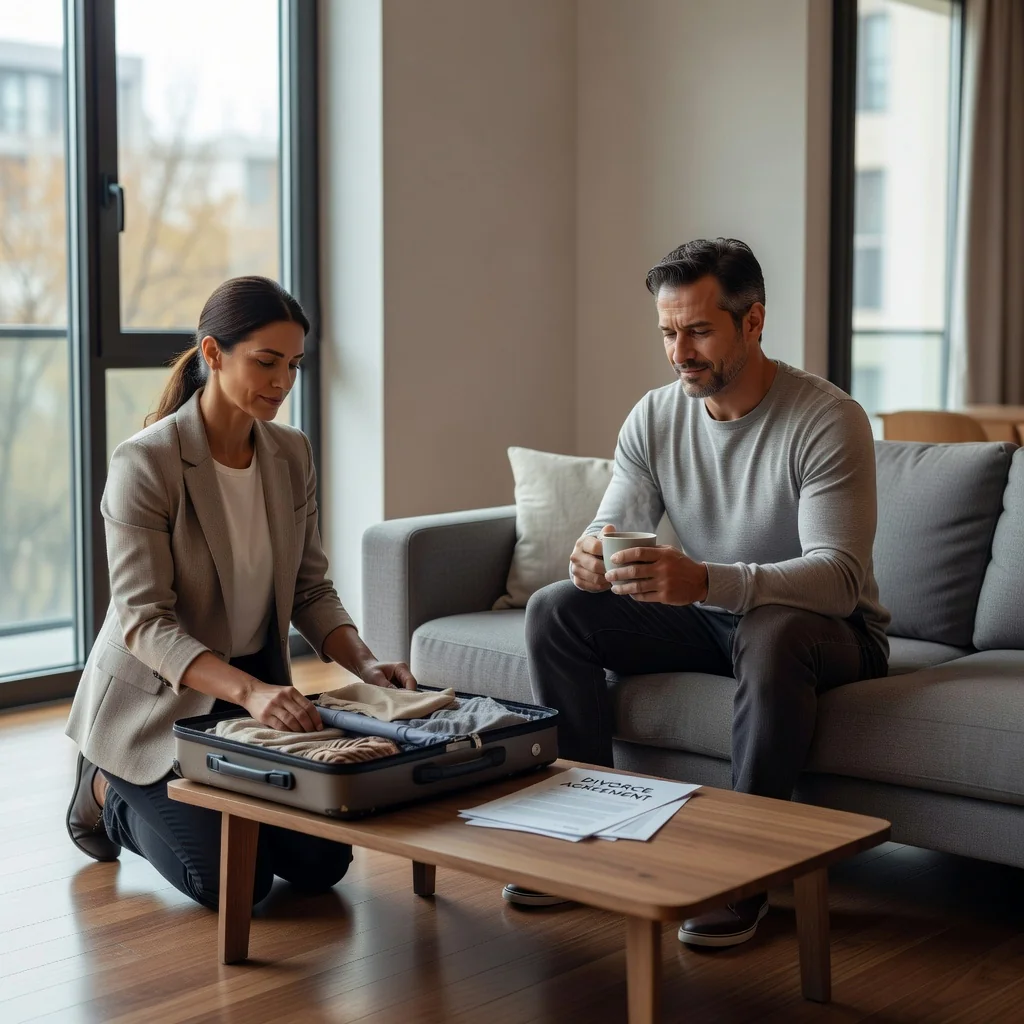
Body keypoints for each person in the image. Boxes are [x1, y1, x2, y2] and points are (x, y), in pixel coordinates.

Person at [504, 238, 889, 947]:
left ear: (753, 321)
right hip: (713, 620)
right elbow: (611, 523)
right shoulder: (655, 416)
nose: (679, 352)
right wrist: (590, 556)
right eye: (668, 332)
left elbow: (837, 577)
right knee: (557, 609)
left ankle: (743, 873)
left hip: (828, 632)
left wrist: (707, 580)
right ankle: (585, 827)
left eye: (699, 331)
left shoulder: (827, 418)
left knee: (772, 628)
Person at [65, 275, 417, 910]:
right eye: (266, 362)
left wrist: (366, 664)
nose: (283, 382)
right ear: (213, 354)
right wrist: (250, 691)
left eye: (294, 365)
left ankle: (229, 800)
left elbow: (310, 587)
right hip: (161, 704)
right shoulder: (146, 462)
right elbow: (144, 622)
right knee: (233, 883)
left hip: (253, 691)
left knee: (321, 864)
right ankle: (105, 791)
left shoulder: (291, 452)